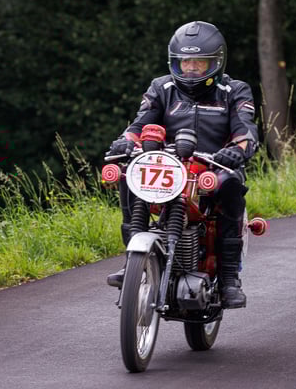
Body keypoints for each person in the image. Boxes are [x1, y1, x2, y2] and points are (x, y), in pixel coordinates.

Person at [105, 21, 258, 309]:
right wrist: (124, 142)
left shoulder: (234, 90)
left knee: (231, 187)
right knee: (128, 175)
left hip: (214, 167)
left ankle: (229, 279)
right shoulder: (161, 87)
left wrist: (237, 152)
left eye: (199, 63)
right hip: (168, 165)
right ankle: (132, 261)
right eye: (184, 62)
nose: (190, 69)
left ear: (216, 62)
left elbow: (246, 132)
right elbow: (139, 124)